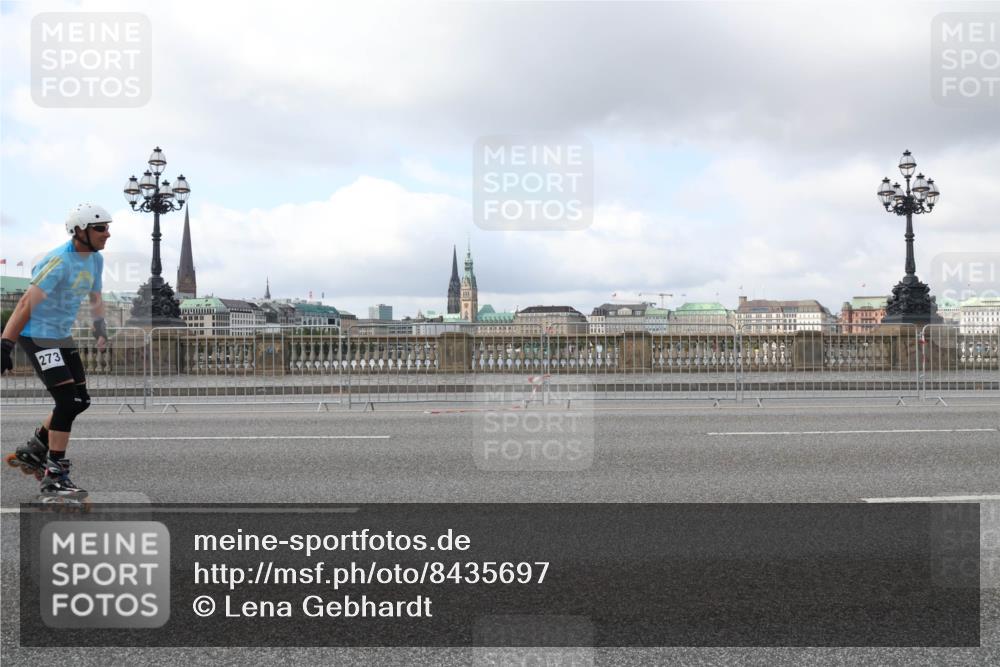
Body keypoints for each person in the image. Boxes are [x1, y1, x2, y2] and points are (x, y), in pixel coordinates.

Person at [1, 203, 112, 498]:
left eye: (108, 227)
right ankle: (55, 475)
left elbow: (95, 294)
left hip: (60, 337)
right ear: (79, 231)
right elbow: (25, 304)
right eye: (101, 228)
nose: (108, 233)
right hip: (37, 337)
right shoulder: (59, 261)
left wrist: (99, 326)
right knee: (67, 401)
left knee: (80, 401)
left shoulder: (95, 260)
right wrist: (5, 344)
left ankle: (36, 447)